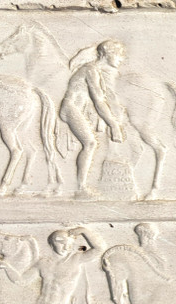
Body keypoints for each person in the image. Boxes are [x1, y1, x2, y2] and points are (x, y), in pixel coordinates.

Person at [60, 40, 126, 198]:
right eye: (119, 54)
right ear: (107, 54)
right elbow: (98, 101)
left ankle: (81, 187)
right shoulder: (90, 70)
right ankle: (80, 189)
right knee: (90, 143)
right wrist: (113, 125)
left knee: (91, 143)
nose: (121, 58)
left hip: (76, 109)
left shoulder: (95, 71)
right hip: (70, 108)